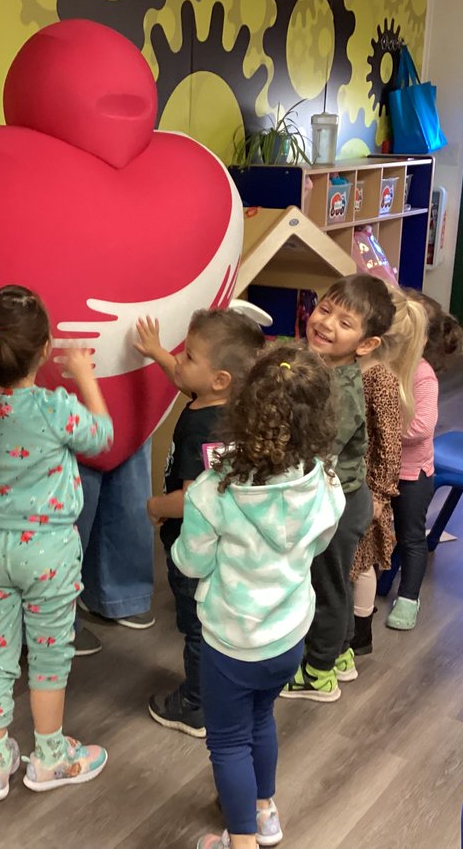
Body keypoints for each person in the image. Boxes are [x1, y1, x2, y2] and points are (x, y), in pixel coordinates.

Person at [174, 344, 346, 849]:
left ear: (243, 408)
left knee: (228, 743)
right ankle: (264, 810)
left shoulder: (213, 492)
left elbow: (191, 562)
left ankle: (243, 840)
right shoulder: (322, 481)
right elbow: (319, 541)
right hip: (289, 636)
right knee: (260, 720)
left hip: (231, 643)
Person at [0, 284, 114, 801]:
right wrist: (84, 376)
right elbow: (101, 436)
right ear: (44, 350)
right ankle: (50, 756)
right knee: (48, 655)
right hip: (49, 554)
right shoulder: (52, 408)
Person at [134, 308, 267, 738]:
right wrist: (157, 352)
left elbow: (194, 499)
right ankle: (225, 690)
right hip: (223, 544)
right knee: (212, 622)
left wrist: (156, 505)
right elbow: (185, 379)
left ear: (220, 379)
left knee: (196, 627)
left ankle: (196, 704)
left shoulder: (201, 428)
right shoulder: (228, 405)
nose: (179, 361)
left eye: (188, 356)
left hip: (193, 544)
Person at [282, 275, 394, 702]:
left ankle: (318, 673)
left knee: (324, 586)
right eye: (325, 310)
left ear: (366, 344)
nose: (326, 323)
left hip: (338, 504)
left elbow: (316, 456)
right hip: (341, 497)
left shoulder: (339, 391)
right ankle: (341, 652)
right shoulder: (323, 370)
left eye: (345, 323)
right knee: (338, 581)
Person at [348, 285, 426, 659]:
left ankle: (359, 633)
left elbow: (390, 443)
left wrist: (379, 493)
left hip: (365, 486)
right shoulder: (352, 369)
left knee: (362, 559)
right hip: (346, 482)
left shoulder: (379, 378)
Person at [385, 289, 462, 630]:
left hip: (411, 473)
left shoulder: (422, 374)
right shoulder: (379, 364)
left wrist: (378, 427)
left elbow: (420, 428)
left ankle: (408, 598)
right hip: (380, 467)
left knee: (411, 536)